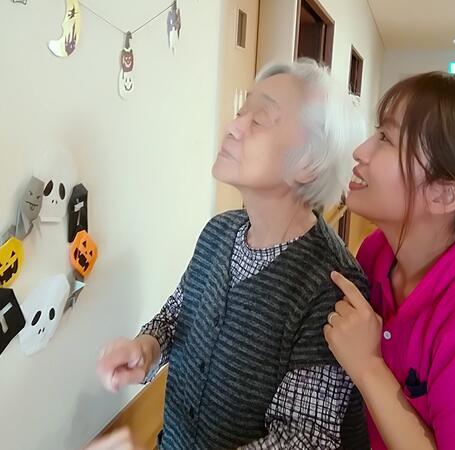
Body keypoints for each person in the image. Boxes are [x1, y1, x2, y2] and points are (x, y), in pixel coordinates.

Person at [92, 59, 370, 450]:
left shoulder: (331, 284)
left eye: (260, 119)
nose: (234, 126)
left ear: (308, 163)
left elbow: (303, 439)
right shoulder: (218, 231)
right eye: (241, 112)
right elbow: (178, 314)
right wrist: (146, 348)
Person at [323, 72, 455, 449]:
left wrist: (368, 366)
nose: (361, 151)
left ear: (446, 195)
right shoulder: (376, 252)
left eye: (386, 139)